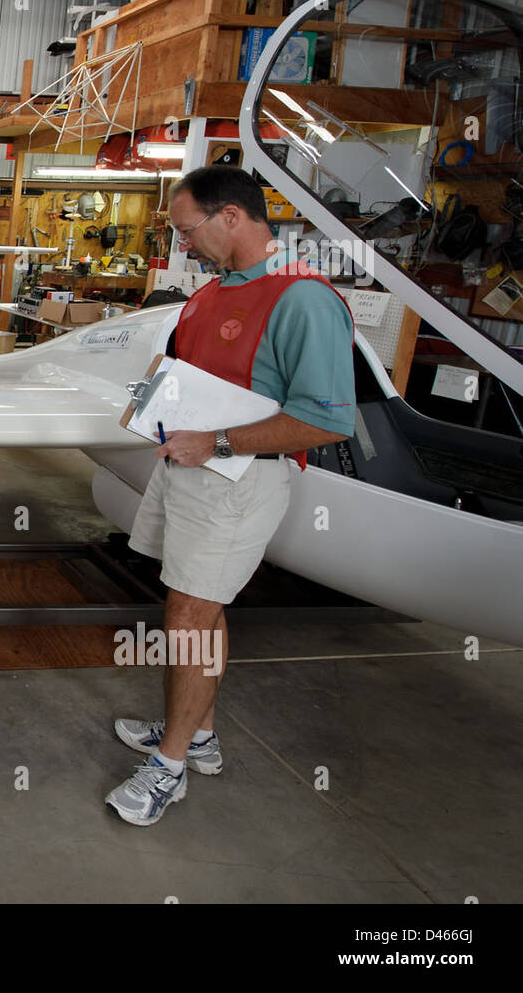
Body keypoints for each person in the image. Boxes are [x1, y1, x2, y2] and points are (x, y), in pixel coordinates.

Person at [105, 165, 356, 826]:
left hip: (238, 479)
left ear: (233, 217)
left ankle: (170, 766)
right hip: (188, 469)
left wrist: (214, 443)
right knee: (197, 608)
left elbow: (329, 419)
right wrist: (141, 408)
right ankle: (201, 735)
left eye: (188, 231)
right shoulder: (207, 294)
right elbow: (175, 370)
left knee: (187, 618)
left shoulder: (302, 298)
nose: (184, 246)